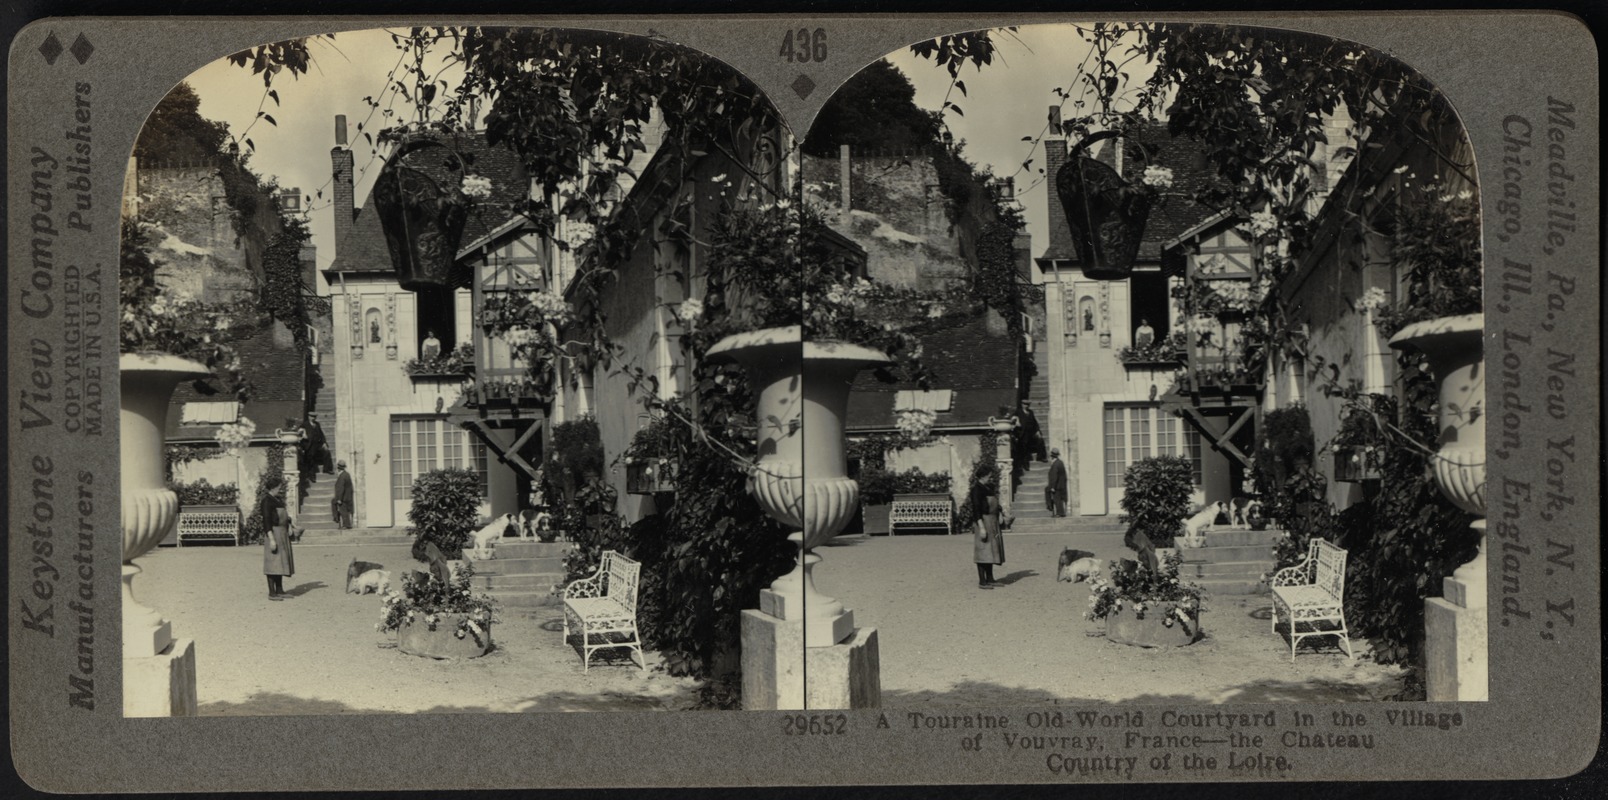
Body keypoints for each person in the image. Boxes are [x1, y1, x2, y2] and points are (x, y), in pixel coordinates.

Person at [260, 476, 296, 599]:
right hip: (273, 533)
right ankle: (272, 592)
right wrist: (271, 539)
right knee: (272, 563)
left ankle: (280, 590)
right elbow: (266, 521)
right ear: (273, 487)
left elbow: (286, 516)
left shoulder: (277, 499)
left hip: (282, 533)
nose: (280, 490)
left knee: (279, 562)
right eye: (279, 487)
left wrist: (289, 526)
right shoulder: (266, 501)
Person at [970, 469, 1005, 587]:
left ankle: (990, 578)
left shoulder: (988, 488)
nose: (990, 478)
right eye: (989, 476)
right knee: (982, 551)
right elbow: (976, 510)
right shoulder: (976, 490)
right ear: (983, 476)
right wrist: (981, 527)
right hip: (983, 521)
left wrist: (999, 514)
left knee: (991, 551)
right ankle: (982, 581)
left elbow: (997, 504)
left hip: (992, 522)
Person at [332, 460, 355, 530]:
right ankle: (337, 518)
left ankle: (345, 524)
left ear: (338, 468)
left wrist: (339, 499)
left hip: (343, 497)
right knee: (333, 502)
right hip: (347, 496)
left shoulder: (342, 476)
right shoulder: (346, 474)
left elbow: (341, 488)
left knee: (343, 510)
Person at [1046, 447, 1069, 517]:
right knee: (1057, 498)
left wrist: (1053, 487)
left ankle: (1055, 510)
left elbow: (1054, 476)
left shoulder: (1055, 464)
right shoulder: (1060, 462)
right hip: (1061, 485)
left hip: (1057, 485)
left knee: (1056, 498)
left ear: (1052, 457)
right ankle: (1056, 510)